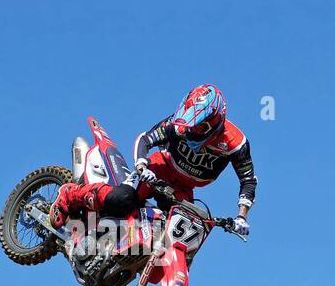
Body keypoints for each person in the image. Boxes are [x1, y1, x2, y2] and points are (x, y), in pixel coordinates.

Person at [50, 83, 256, 236]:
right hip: (159, 169)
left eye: (199, 127)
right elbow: (146, 139)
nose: (191, 131)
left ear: (216, 121)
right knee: (123, 198)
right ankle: (70, 195)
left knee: (180, 235)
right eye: (191, 125)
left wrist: (241, 217)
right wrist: (142, 165)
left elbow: (248, 180)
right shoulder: (179, 125)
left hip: (183, 191)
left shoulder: (236, 143)